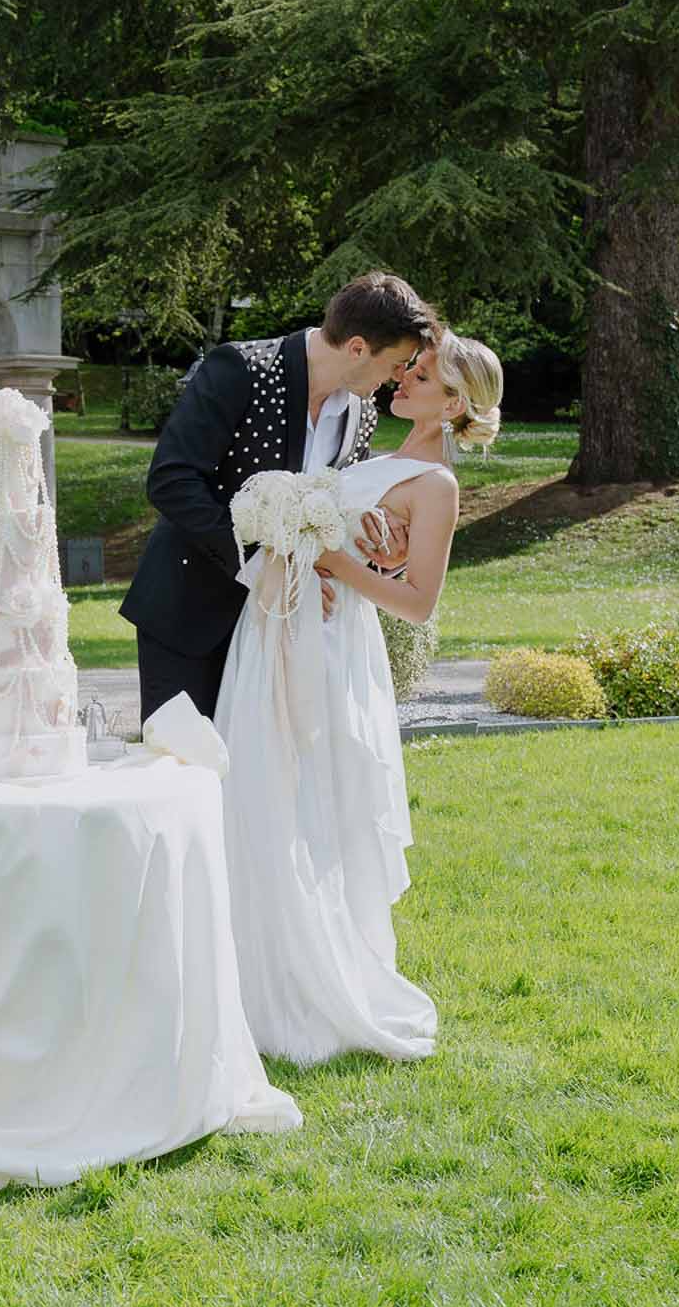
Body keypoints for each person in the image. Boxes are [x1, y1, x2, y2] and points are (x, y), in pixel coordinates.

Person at [213, 330, 504, 1065]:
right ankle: (245, 973)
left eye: (423, 373)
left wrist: (332, 555)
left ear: (450, 404)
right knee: (254, 784)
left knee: (307, 792)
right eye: (408, 366)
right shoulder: (378, 460)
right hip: (280, 628)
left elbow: (416, 603)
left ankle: (309, 979)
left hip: (332, 650)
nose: (402, 377)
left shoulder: (434, 484)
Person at [120, 273, 439, 723]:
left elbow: (332, 512)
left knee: (262, 785)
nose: (398, 378)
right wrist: (257, 563)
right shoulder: (241, 369)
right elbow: (172, 480)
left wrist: (380, 552)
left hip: (287, 636)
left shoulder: (360, 413)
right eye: (396, 364)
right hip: (192, 616)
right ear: (357, 348)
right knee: (189, 773)